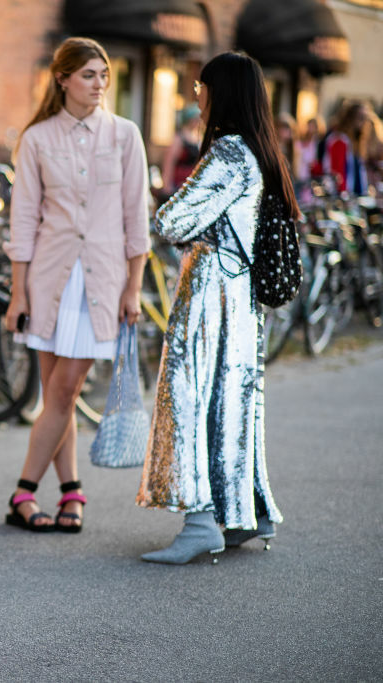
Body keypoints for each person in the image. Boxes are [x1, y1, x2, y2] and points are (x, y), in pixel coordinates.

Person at [136, 52, 296, 564]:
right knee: (232, 402)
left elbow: (171, 222)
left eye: (200, 87)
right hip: (240, 293)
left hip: (211, 291)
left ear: (219, 91)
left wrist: (172, 215)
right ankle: (246, 512)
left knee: (190, 396)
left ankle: (200, 520)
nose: (195, 96)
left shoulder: (228, 152)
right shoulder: (257, 148)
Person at [2, 37, 149, 534]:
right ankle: (72, 492)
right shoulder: (38, 139)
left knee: (64, 390)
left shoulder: (126, 135)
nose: (100, 85)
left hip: (103, 282)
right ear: (62, 78)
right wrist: (18, 293)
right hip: (48, 279)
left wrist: (134, 288)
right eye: (89, 75)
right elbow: (22, 222)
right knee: (55, 397)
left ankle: (22, 491)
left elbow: (137, 218)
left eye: (104, 75)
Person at [323, 100, 370, 195]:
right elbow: (337, 172)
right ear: (350, 118)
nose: (364, 121)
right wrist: (344, 194)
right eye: (361, 117)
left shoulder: (356, 139)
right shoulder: (339, 139)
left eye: (366, 117)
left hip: (354, 195)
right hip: (343, 197)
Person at [158, 103, 201, 201]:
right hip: (178, 184)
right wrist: (166, 185)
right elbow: (169, 162)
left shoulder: (197, 137)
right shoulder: (179, 138)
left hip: (190, 183)